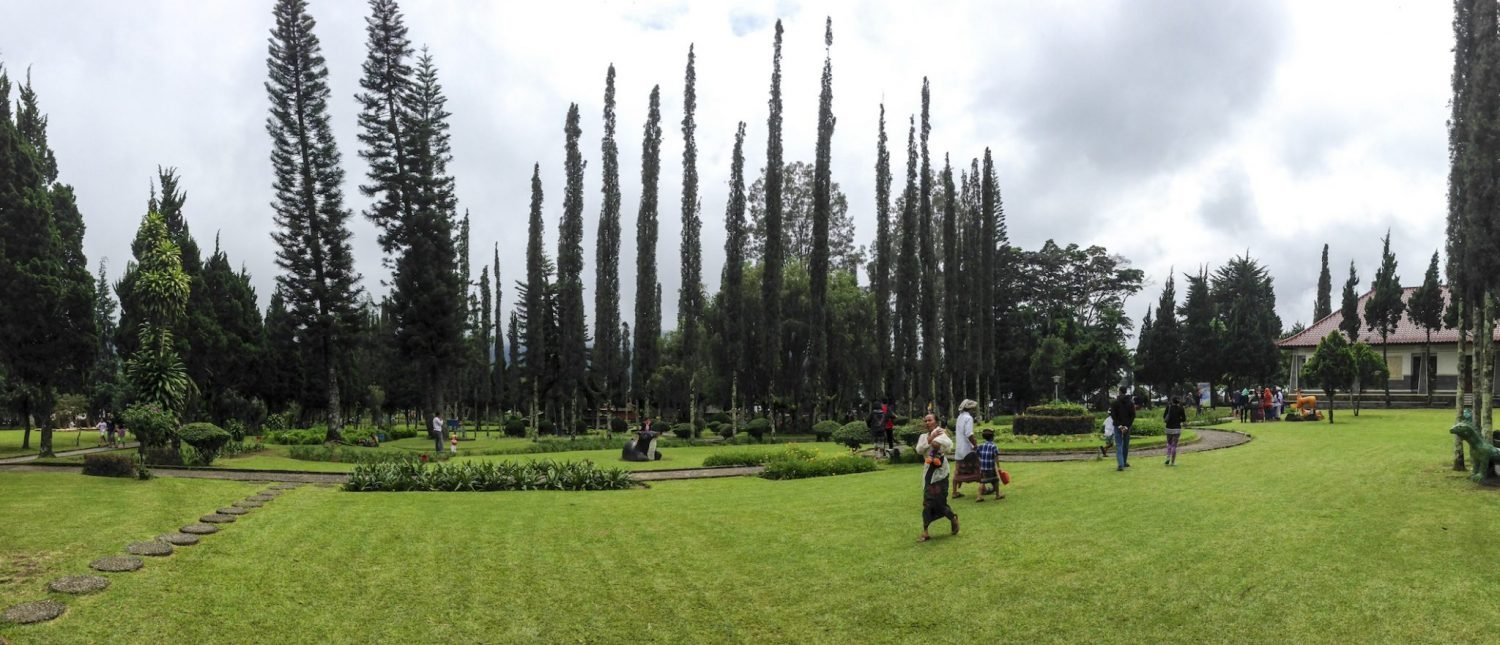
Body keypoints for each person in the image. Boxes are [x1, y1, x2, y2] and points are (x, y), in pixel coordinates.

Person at [915, 414, 958, 542]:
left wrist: (938, 442)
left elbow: (949, 446)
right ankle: (925, 531)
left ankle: (952, 518)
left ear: (936, 421)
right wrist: (930, 439)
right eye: (925, 420)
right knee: (928, 501)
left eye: (930, 420)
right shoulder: (923, 437)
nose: (927, 422)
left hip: (940, 472)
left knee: (939, 501)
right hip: (928, 471)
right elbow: (919, 450)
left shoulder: (941, 432)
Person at [951, 399, 979, 498]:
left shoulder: (959, 417)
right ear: (970, 408)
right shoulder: (968, 418)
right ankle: (982, 489)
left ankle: (954, 492)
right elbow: (969, 434)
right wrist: (975, 444)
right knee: (978, 467)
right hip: (967, 448)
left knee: (957, 469)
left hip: (959, 448)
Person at [1109, 387, 1136, 471]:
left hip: (1118, 426)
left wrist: (1119, 425)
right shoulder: (1131, 403)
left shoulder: (1115, 403)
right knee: (1126, 444)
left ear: (1119, 392)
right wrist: (1127, 426)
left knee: (1119, 444)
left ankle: (1120, 464)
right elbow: (1133, 415)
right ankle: (1124, 461)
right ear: (1126, 392)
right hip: (1127, 426)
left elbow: (1113, 415)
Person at [975, 429, 1003, 501]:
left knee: (983, 481)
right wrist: (999, 467)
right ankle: (997, 495)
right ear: (992, 437)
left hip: (983, 467)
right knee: (996, 480)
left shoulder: (980, 446)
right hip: (991, 467)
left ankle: (979, 496)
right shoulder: (993, 446)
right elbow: (996, 457)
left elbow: (977, 454)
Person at [1164, 396, 1187, 466]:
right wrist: (1179, 419)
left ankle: (1168, 457)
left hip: (1168, 428)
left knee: (1169, 443)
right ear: (1178, 402)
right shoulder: (1181, 408)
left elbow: (1164, 416)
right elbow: (1184, 419)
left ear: (1172, 401)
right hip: (1176, 428)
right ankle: (1173, 462)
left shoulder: (1168, 407)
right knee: (1174, 445)